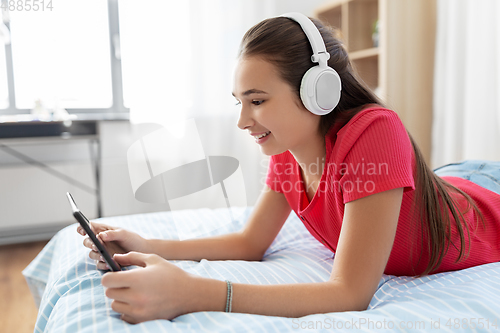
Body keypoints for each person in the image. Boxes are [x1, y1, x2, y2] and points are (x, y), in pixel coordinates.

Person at [77, 13, 500, 324]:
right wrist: (146, 245)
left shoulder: (375, 130)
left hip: (483, 197)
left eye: (257, 101)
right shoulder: (287, 148)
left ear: (319, 91)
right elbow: (250, 243)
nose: (243, 121)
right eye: (238, 102)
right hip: (451, 180)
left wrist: (194, 293)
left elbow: (350, 293)